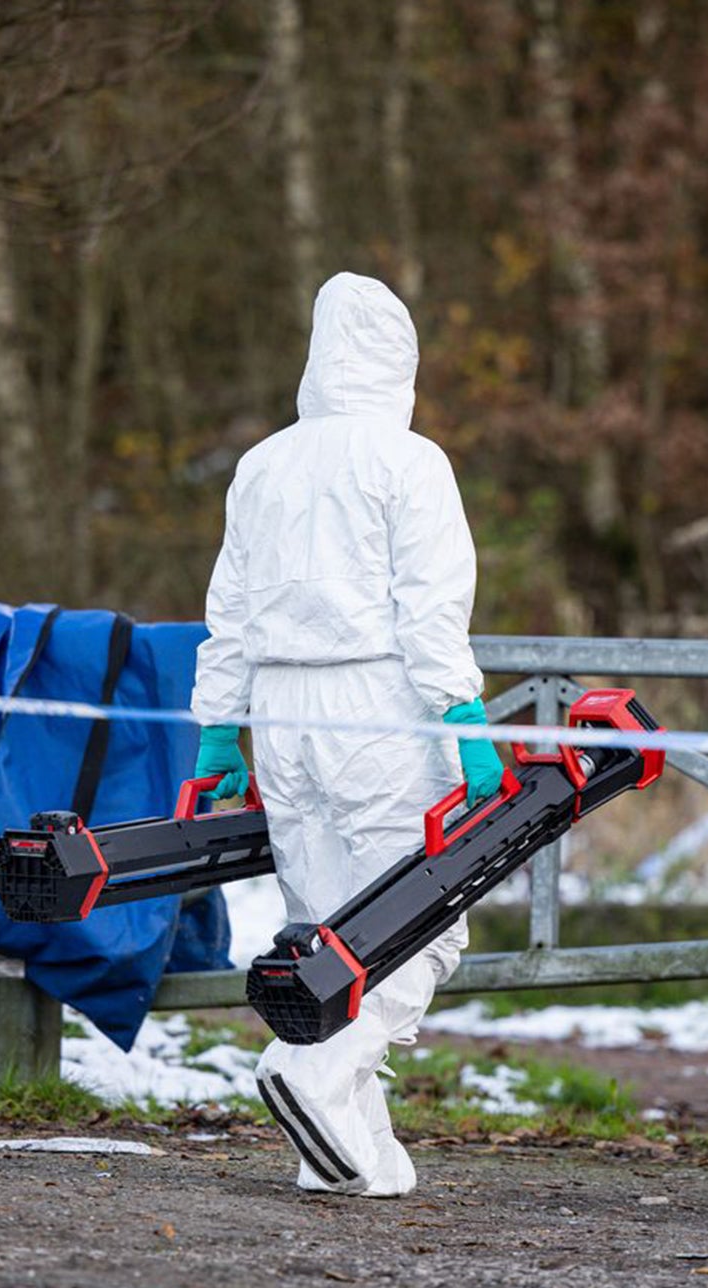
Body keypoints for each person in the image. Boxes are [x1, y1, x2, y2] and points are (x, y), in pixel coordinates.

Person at [191, 271, 504, 1198]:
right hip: (379, 710)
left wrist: (218, 735)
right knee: (422, 924)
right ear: (400, 363)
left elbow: (229, 616)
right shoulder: (409, 463)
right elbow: (432, 616)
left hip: (283, 718)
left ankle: (343, 1154)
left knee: (326, 930)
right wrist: (465, 724)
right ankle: (316, 1075)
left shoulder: (263, 464)